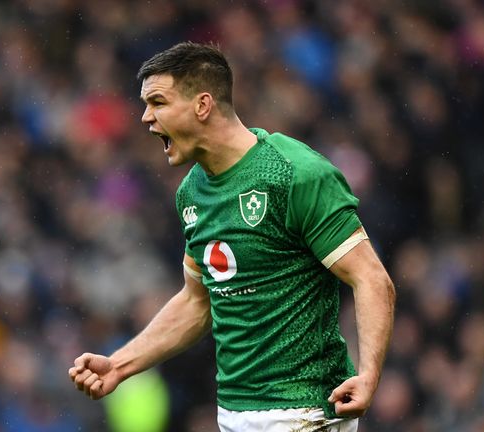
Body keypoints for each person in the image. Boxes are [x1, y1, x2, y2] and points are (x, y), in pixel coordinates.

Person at [68, 41, 396, 432]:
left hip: (303, 411)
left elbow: (372, 278)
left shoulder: (295, 172)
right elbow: (197, 300)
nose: (145, 117)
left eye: (157, 102)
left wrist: (370, 374)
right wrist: (119, 365)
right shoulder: (191, 192)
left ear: (202, 105)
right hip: (235, 414)